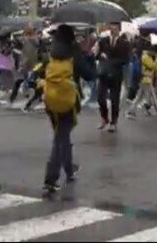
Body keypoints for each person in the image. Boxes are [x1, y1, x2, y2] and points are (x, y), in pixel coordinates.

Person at [39, 24, 96, 194]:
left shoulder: (52, 53)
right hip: (68, 101)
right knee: (60, 137)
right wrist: (90, 57)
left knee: (62, 135)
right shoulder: (74, 53)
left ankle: (70, 170)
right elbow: (90, 74)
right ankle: (51, 178)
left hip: (50, 100)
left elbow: (42, 72)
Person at [94, 23, 130, 132]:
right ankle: (104, 118)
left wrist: (111, 61)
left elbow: (125, 59)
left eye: (115, 28)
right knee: (101, 97)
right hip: (103, 73)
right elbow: (97, 54)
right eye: (111, 27)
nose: (112, 30)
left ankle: (114, 121)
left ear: (119, 30)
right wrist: (100, 55)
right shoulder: (103, 41)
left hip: (116, 74)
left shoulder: (124, 43)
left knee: (115, 99)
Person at [126, 44, 157, 119]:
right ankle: (155, 110)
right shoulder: (146, 57)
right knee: (147, 96)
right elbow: (153, 66)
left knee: (141, 96)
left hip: (146, 79)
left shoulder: (146, 56)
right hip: (145, 79)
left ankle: (132, 110)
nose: (155, 54)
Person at [9, 27, 39, 105]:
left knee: (24, 82)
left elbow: (27, 56)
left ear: (27, 34)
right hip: (35, 65)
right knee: (31, 82)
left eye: (24, 35)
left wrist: (22, 65)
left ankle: (26, 100)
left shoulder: (28, 42)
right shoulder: (35, 42)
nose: (22, 37)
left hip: (29, 66)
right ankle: (33, 99)